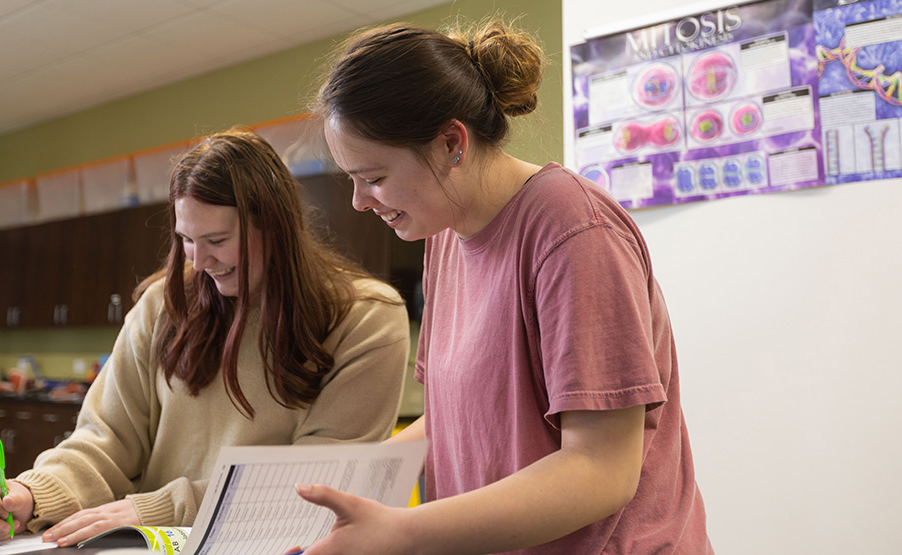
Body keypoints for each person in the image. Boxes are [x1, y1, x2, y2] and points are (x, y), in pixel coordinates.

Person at [291, 20, 713, 554]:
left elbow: (602, 468)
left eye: (373, 177)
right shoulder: (443, 233)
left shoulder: (571, 229)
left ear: (451, 143)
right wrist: (352, 481)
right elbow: (456, 414)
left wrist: (403, 533)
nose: (359, 201)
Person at [0, 129, 411, 547]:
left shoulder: (366, 320)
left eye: (217, 239)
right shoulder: (163, 305)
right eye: (186, 240)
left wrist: (158, 509)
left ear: (276, 227)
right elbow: (106, 439)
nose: (199, 263)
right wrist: (35, 494)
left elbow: (313, 483)